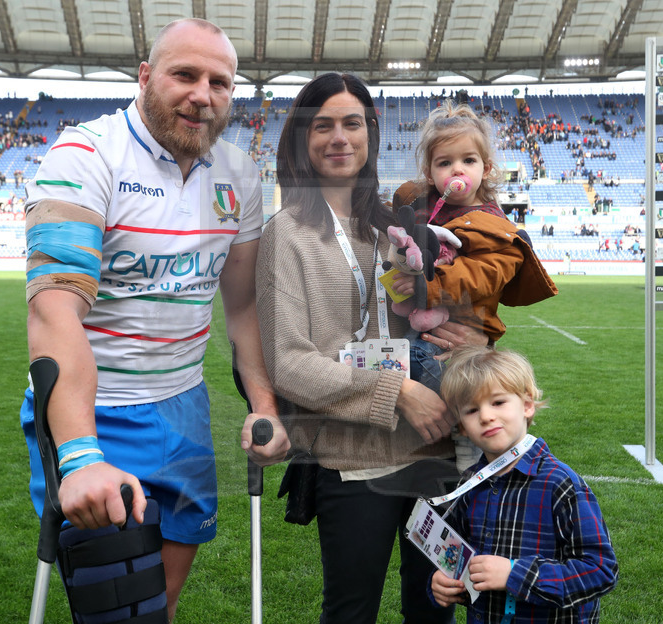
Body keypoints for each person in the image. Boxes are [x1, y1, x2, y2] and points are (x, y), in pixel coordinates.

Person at [19, 18, 289, 621]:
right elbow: (53, 306)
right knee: (120, 613)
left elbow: (241, 306)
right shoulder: (84, 154)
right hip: (96, 410)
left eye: (220, 82)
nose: (203, 94)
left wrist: (265, 405)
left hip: (184, 407)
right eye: (184, 74)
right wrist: (83, 455)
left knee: (157, 609)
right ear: (145, 77)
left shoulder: (240, 174)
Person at [256, 72, 488, 624]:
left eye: (352, 123)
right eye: (323, 125)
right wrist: (397, 390)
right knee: (350, 611)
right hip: (352, 461)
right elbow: (287, 362)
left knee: (434, 612)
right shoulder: (283, 235)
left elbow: (438, 310)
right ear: (301, 140)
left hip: (434, 457)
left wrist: (473, 338)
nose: (340, 137)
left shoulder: (396, 225)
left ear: (371, 135)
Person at [390, 102, 558, 471]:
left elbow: (485, 276)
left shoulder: (496, 226)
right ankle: (439, 436)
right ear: (429, 171)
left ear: (487, 168)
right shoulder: (423, 206)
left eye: (468, 160)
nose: (457, 171)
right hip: (426, 325)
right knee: (419, 362)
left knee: (457, 384)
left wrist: (428, 287)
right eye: (444, 163)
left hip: (468, 330)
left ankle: (468, 445)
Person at [429, 346, 619, 623]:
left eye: (498, 402)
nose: (486, 416)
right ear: (461, 426)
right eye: (471, 410)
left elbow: (600, 571)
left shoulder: (560, 484)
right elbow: (455, 555)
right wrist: (443, 581)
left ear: (527, 405)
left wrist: (514, 574)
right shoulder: (469, 484)